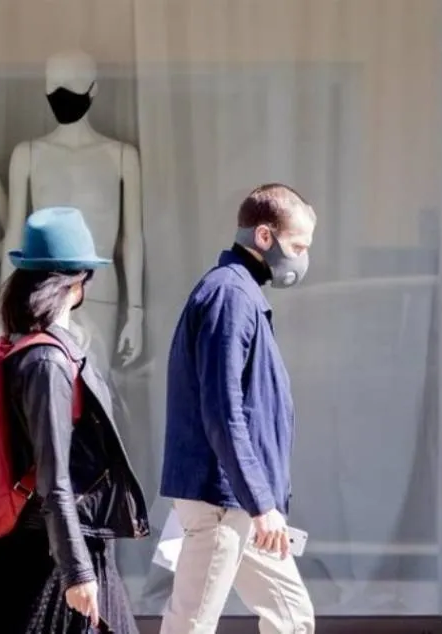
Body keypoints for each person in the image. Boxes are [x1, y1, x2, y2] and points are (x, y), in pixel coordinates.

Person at [0, 206, 150, 634]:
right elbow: (54, 478)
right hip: (50, 556)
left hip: (59, 548)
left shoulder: (38, 352)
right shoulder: (46, 361)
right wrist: (77, 571)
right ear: (77, 286)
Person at [159, 184, 317, 634]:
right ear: (264, 237)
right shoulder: (230, 296)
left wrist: (260, 502)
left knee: (292, 618)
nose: (302, 259)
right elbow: (224, 410)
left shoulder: (239, 293)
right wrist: (260, 502)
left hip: (240, 499)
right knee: (192, 625)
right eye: (298, 246)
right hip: (224, 500)